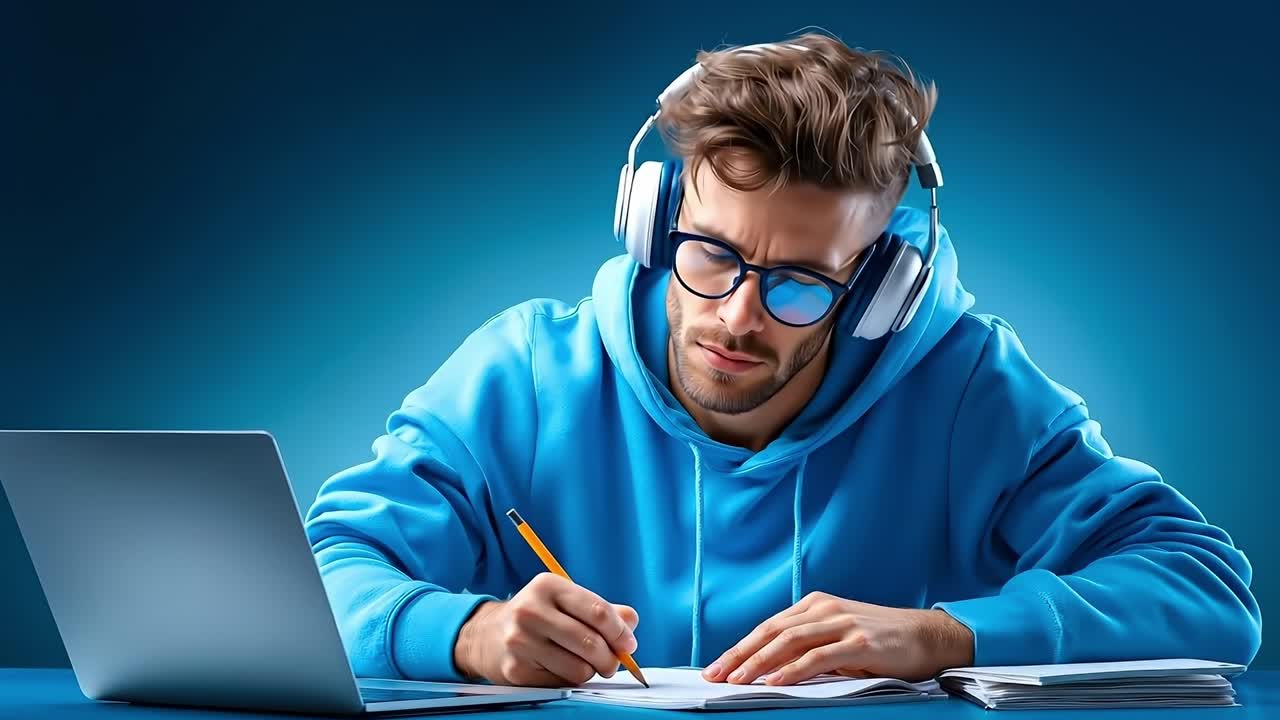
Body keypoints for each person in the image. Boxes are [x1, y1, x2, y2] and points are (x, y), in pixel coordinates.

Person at [303, 33, 1261, 689]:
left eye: (803, 280)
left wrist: (941, 636)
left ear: (882, 286)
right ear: (653, 222)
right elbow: (319, 574)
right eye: (712, 253)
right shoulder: (524, 372)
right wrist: (465, 636)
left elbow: (1207, 590)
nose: (739, 314)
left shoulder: (968, 387)